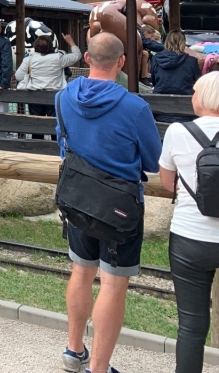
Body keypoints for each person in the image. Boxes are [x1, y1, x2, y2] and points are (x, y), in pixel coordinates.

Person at [56, 32, 162, 373]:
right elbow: (152, 160)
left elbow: (63, 145)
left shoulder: (63, 97)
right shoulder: (135, 106)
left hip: (76, 197)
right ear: (121, 62)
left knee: (81, 270)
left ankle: (74, 350)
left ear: (86, 59)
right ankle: (99, 368)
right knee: (113, 283)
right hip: (120, 207)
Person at [158, 71, 219, 373]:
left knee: (192, 326)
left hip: (189, 238)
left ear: (201, 98)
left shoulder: (177, 131)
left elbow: (168, 181)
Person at [14, 33, 81, 116]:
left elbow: (18, 76)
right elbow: (77, 55)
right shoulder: (58, 58)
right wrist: (71, 42)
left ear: (35, 46)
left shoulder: (29, 60)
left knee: (36, 123)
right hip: (55, 95)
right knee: (53, 122)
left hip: (35, 95)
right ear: (50, 47)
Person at [151, 30, 201, 122]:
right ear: (183, 43)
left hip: (160, 111)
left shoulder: (156, 59)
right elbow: (198, 84)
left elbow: (154, 81)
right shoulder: (191, 61)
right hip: (186, 112)